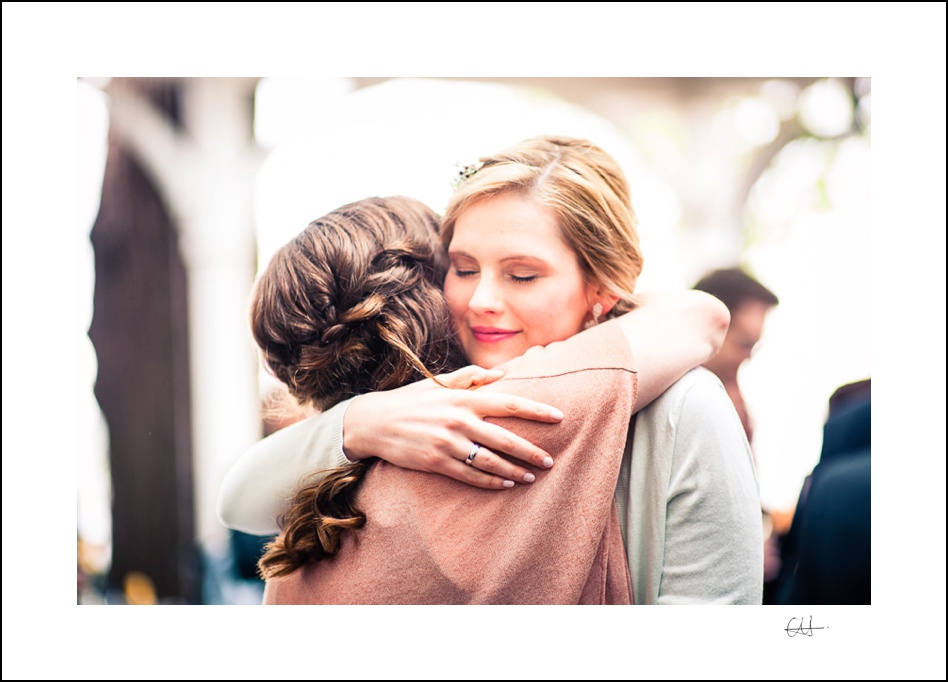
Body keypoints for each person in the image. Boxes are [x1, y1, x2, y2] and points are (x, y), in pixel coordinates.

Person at [219, 135, 763, 604]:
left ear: (600, 285)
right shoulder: (416, 422)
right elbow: (239, 500)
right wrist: (362, 422)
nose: (481, 300)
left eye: (522, 276)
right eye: (462, 268)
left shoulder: (685, 410)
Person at [692, 266, 779, 446]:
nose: (749, 357)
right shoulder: (688, 398)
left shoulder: (727, 390)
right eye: (745, 344)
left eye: (755, 347)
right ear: (709, 328)